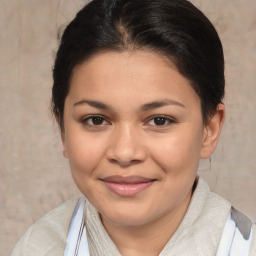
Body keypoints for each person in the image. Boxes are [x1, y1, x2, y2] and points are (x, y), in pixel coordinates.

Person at [11, 0, 255, 255]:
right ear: (63, 131)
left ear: (209, 129)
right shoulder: (37, 247)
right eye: (96, 120)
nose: (125, 152)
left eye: (159, 120)